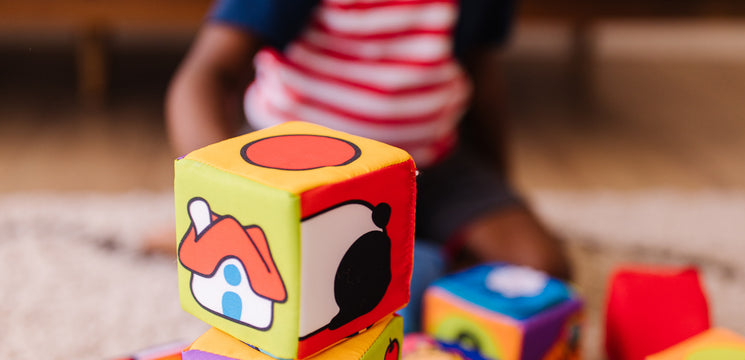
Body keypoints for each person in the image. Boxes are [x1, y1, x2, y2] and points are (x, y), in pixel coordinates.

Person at [163, 0, 571, 291]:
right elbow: (203, 77)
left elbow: (483, 82)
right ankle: (200, 231)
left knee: (542, 270)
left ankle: (407, 255)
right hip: (304, 175)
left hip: (431, 164)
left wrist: (501, 194)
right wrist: (229, 200)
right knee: (292, 287)